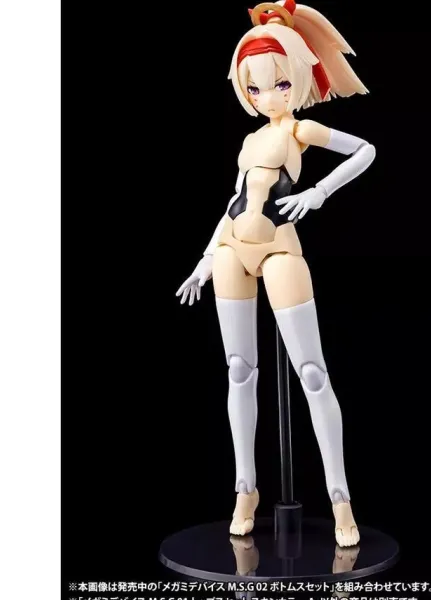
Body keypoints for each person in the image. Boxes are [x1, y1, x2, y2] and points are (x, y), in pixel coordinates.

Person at [176, 0, 375, 547]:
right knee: (239, 369)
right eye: (256, 87)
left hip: (280, 249)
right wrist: (204, 259)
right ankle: (245, 488)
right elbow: (235, 202)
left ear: (299, 80)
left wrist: (319, 192)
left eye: (280, 84)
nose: (268, 96)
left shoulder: (301, 128)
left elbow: (364, 150)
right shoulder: (248, 142)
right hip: (230, 251)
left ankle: (340, 496)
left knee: (311, 372)